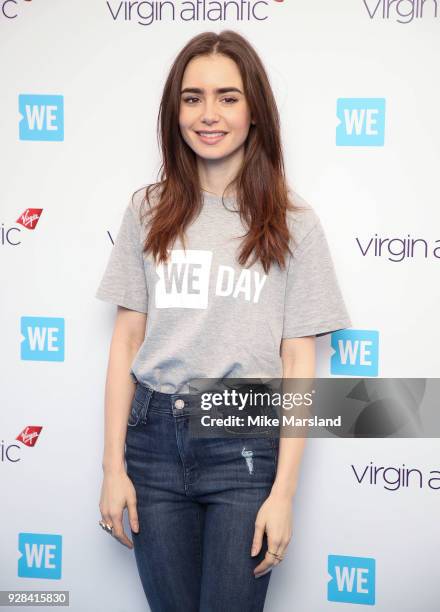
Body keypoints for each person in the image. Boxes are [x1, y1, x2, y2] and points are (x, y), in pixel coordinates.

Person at [95, 29, 352, 612]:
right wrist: (113, 468)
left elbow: (298, 361)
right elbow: (126, 341)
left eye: (228, 97)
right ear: (174, 110)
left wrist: (283, 492)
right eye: (193, 98)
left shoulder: (293, 223)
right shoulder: (146, 210)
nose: (208, 114)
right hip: (153, 439)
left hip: (243, 436)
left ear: (255, 110)